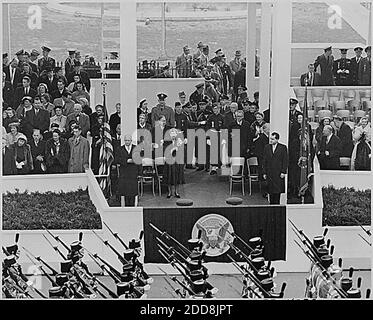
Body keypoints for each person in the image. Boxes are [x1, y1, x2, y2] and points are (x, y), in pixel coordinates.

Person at [262, 132, 288, 204]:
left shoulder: (283, 148)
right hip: (270, 173)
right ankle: (271, 207)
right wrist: (264, 172)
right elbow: (264, 160)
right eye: (270, 139)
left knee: (277, 192)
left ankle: (277, 208)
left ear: (277, 139)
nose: (271, 141)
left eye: (273, 139)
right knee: (270, 192)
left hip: (278, 173)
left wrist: (283, 171)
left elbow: (285, 160)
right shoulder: (267, 147)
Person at [116, 134, 140, 206]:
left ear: (131, 141)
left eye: (128, 140)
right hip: (124, 173)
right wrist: (126, 161)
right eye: (126, 140)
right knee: (125, 192)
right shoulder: (120, 149)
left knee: (133, 191)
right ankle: (125, 207)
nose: (127, 142)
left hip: (133, 173)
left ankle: (133, 207)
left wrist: (139, 173)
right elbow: (117, 159)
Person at [163, 128, 185, 198]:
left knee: (177, 177)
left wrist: (179, 147)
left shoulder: (179, 141)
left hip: (177, 161)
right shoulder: (166, 142)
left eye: (174, 133)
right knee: (169, 176)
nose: (173, 135)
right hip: (169, 161)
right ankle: (170, 192)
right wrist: (171, 150)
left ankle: (176, 192)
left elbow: (182, 151)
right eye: (171, 133)